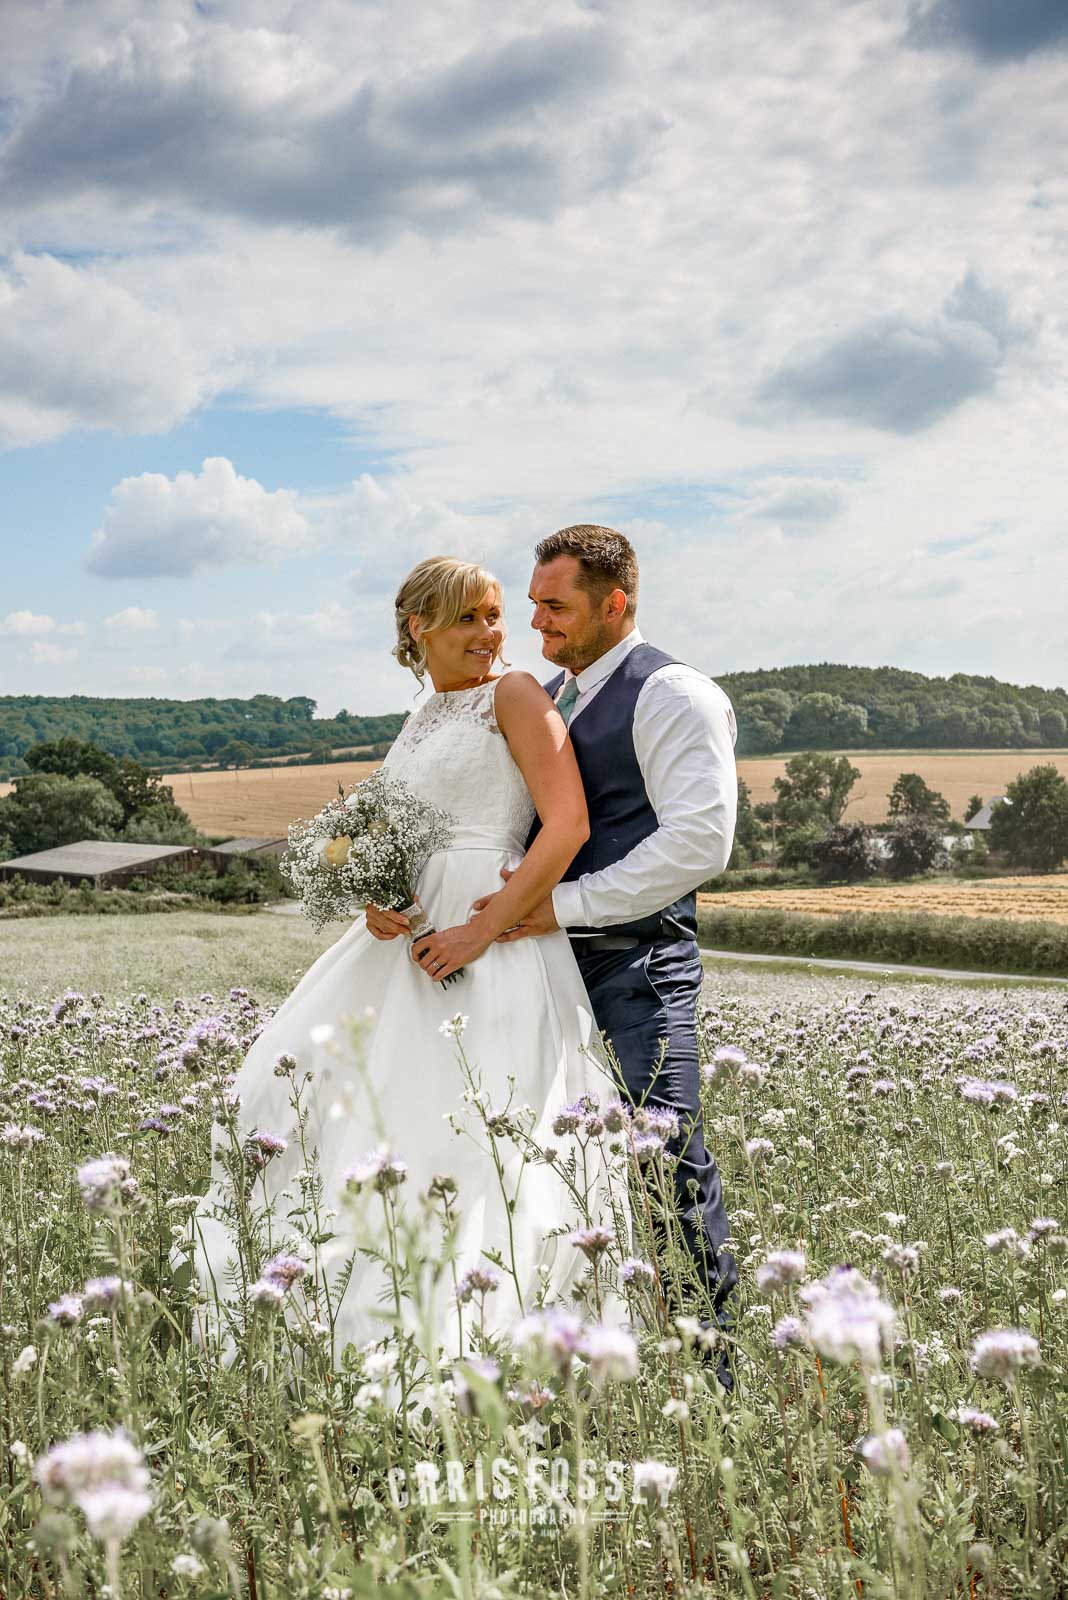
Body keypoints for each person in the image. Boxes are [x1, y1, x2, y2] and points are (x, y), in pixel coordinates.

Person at [191, 556, 627, 1363]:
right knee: (335, 1106)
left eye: (496, 616)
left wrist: (485, 926)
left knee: (472, 1128)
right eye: (470, 618)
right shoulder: (425, 712)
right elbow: (395, 832)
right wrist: (374, 892)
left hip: (486, 937)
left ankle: (479, 1340)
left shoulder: (517, 694)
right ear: (418, 627)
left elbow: (564, 825)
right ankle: (345, 1328)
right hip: (406, 944)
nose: (492, 634)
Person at [458, 526, 740, 1368]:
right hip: (548, 969)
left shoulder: (672, 695)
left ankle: (711, 1376)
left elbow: (699, 844)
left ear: (615, 604)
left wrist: (560, 905)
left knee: (665, 1160)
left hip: (638, 964)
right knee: (559, 1170)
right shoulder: (556, 695)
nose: (536, 621)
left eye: (556, 605)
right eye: (534, 601)